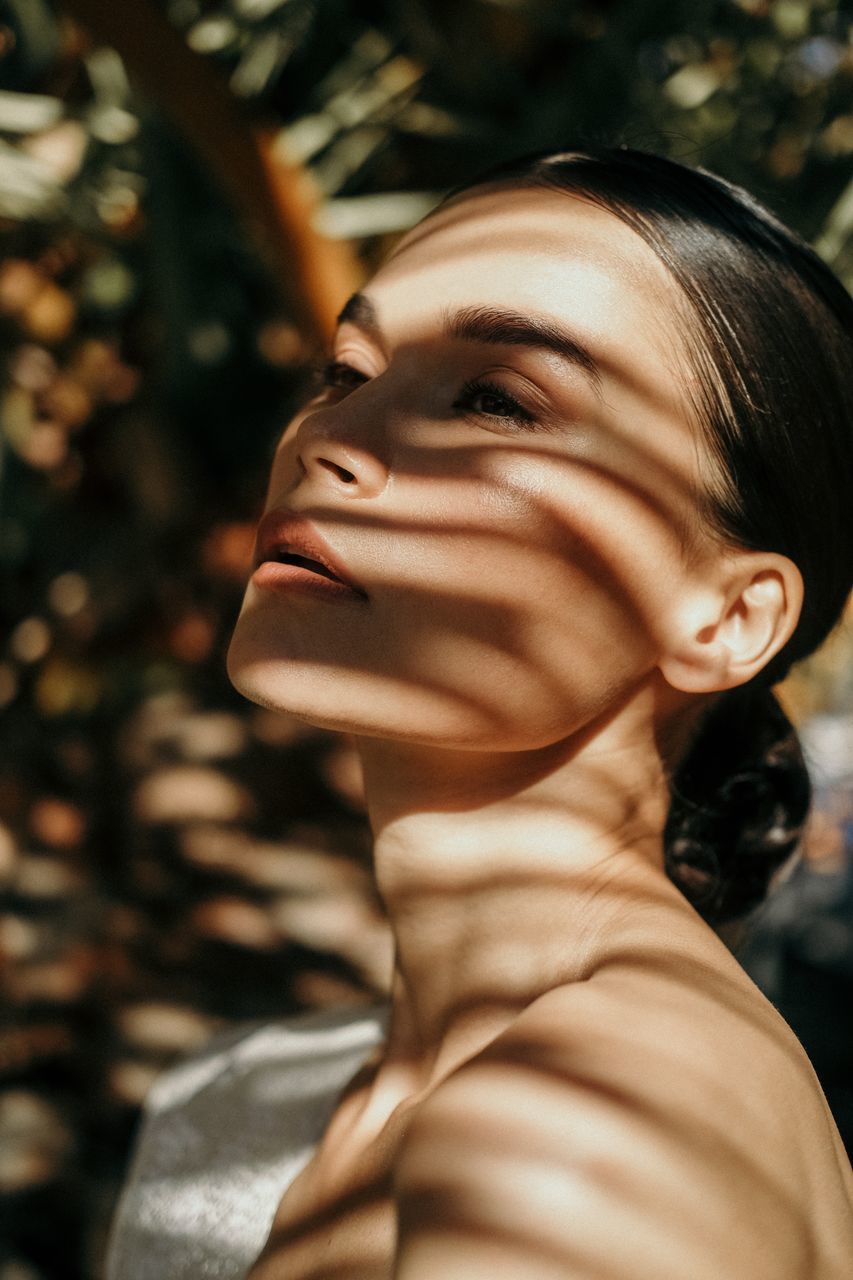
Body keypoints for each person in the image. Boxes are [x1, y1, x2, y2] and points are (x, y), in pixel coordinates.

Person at [107, 147, 853, 1280]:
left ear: (724, 617)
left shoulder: (589, 1125)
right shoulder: (258, 1088)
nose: (328, 440)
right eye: (346, 369)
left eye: (498, 398)